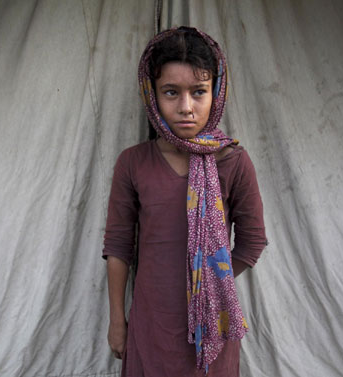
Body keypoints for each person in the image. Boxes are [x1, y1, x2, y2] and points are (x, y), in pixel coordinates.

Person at [102, 26, 268, 376]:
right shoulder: (133, 163)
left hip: (212, 325)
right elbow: (118, 246)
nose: (186, 107)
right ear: (152, 96)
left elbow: (252, 242)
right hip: (151, 322)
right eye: (171, 92)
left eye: (199, 92)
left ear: (216, 93)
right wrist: (118, 320)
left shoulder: (233, 161)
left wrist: (209, 282)